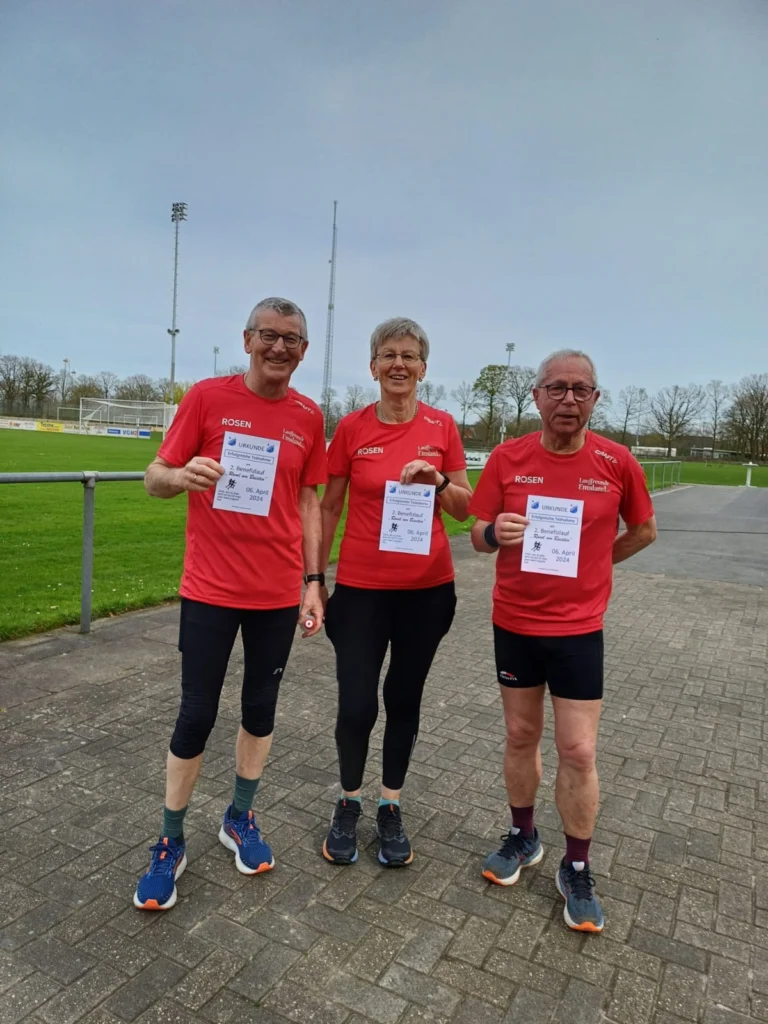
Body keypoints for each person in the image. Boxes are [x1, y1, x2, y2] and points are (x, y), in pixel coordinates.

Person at [134, 297, 327, 911]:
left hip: (275, 593)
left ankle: (239, 817)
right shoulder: (206, 398)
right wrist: (181, 474)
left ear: (303, 351)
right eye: (269, 336)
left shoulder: (309, 416)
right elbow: (154, 476)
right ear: (247, 340)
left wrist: (313, 581)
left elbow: (308, 503)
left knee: (260, 708)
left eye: (291, 340)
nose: (279, 347)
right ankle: (169, 841)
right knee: (196, 713)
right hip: (211, 590)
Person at [469, 349, 656, 933]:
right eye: (557, 388)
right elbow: (475, 533)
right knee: (521, 734)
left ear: (596, 399)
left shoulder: (617, 462)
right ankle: (524, 836)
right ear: (537, 396)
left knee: (578, 751)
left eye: (580, 389)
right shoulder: (507, 458)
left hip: (578, 631)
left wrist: (597, 560)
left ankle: (577, 865)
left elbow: (644, 529)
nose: (568, 399)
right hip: (515, 624)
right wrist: (495, 532)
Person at [319, 317, 472, 867]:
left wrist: (439, 482)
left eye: (409, 356)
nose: (399, 364)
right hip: (360, 592)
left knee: (403, 698)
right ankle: (348, 800)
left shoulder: (443, 426)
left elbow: (464, 507)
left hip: (426, 592)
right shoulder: (353, 428)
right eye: (389, 355)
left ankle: (390, 805)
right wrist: (315, 580)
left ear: (424, 368)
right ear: (373, 367)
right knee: (356, 704)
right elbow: (329, 506)